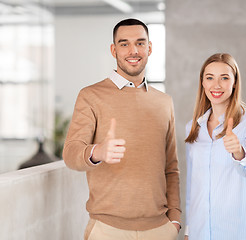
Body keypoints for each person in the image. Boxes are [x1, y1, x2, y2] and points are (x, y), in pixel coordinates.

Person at [63, 18, 181, 240]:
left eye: (140, 43)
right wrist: (98, 152)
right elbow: (70, 153)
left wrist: (174, 220)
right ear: (113, 49)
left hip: (160, 230)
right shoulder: (90, 96)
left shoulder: (164, 102)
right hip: (107, 230)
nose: (133, 50)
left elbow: (171, 168)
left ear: (150, 48)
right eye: (124, 43)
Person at [184, 53, 246, 240]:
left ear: (235, 82)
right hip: (201, 233)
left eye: (225, 78)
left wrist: (238, 151)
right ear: (202, 83)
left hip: (241, 232)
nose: (216, 85)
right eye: (210, 78)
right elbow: (193, 185)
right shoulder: (193, 127)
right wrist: (189, 229)